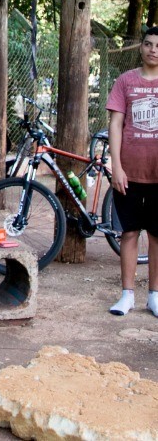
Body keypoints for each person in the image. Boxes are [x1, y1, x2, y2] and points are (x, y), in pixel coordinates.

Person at [104, 25, 158, 316]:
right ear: (141, 47)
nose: (153, 50)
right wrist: (117, 167)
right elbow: (115, 124)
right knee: (129, 233)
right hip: (130, 173)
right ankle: (126, 295)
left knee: (157, 236)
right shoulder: (125, 81)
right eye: (148, 44)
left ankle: (154, 296)